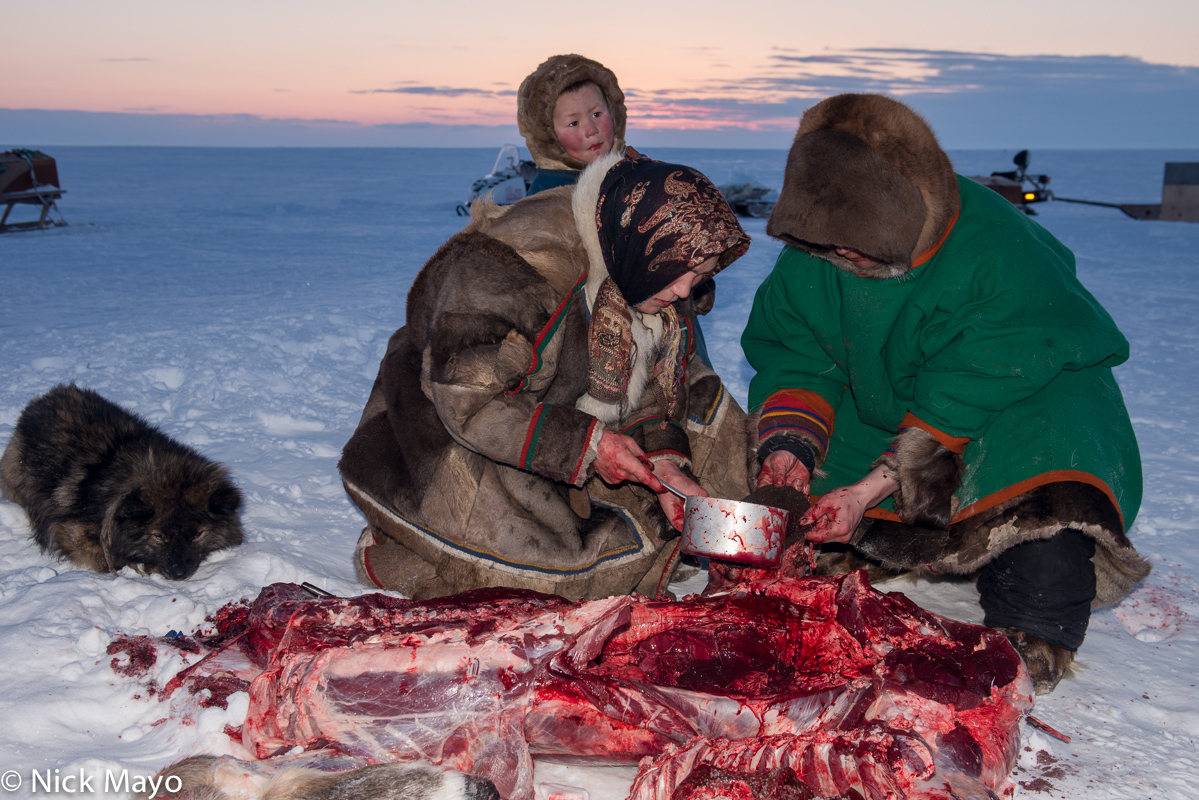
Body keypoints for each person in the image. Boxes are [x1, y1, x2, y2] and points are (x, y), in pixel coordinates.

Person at [742, 93, 1150, 694]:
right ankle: (866, 539)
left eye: (857, 246)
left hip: (1019, 400)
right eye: (831, 246)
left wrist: (868, 488)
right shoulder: (813, 253)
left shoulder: (997, 250)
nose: (841, 257)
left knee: (1045, 519)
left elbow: (982, 375)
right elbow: (796, 355)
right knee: (791, 507)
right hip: (889, 399)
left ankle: (1034, 625)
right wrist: (790, 448)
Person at [340, 150, 753, 601]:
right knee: (564, 575)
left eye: (700, 277)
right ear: (648, 246)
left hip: (555, 409)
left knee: (708, 417)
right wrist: (590, 445)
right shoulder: (512, 267)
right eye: (680, 273)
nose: (683, 292)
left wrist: (665, 465)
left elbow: (654, 385)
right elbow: (467, 396)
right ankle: (399, 547)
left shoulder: (635, 257)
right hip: (435, 426)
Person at [517, 54, 625, 195]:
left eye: (596, 114)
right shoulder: (543, 200)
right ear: (549, 137)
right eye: (574, 123)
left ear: (614, 113)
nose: (591, 130)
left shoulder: (636, 170)